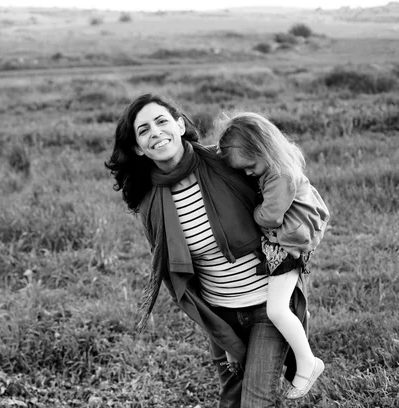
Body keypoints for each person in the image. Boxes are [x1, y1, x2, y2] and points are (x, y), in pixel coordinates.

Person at [105, 93, 310, 407]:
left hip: (268, 305)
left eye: (161, 121)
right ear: (137, 147)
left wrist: (299, 239)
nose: (155, 132)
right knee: (231, 400)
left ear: (180, 124)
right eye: (143, 130)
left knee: (256, 401)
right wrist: (222, 336)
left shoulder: (228, 163)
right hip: (221, 315)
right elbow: (183, 277)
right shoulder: (151, 205)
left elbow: (290, 183)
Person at [216, 111, 330, 399]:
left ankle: (308, 362)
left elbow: (270, 217)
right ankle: (292, 361)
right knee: (274, 308)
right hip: (284, 245)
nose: (248, 173)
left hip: (287, 247)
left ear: (265, 149)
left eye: (251, 166)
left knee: (277, 310)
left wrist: (252, 211)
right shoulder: (275, 166)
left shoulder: (280, 175)